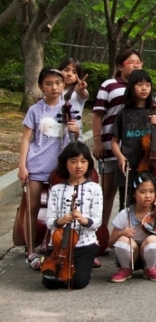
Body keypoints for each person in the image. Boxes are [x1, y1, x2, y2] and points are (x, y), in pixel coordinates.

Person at [18, 68, 80, 269]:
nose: (54, 87)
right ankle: (30, 250)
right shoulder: (35, 110)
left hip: (60, 167)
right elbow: (26, 140)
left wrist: (76, 131)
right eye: (49, 84)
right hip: (36, 165)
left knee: (57, 208)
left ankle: (50, 243)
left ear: (63, 85)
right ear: (41, 87)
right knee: (33, 208)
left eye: (58, 83)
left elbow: (74, 142)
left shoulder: (68, 108)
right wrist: (22, 165)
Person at [93, 49, 143, 229]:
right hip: (109, 147)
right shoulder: (109, 85)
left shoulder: (143, 87)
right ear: (120, 66)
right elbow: (98, 115)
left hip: (133, 150)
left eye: (139, 62)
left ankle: (126, 231)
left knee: (131, 192)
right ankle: (101, 232)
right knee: (107, 192)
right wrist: (97, 140)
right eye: (132, 62)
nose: (136, 65)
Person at [42, 142, 103, 289]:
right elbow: (49, 222)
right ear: (65, 164)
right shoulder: (56, 189)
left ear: (89, 164)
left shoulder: (94, 188)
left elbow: (97, 221)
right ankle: (60, 266)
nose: (78, 166)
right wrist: (60, 220)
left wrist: (83, 219)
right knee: (49, 282)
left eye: (83, 161)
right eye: (73, 161)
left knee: (78, 282)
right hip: (59, 245)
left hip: (84, 245)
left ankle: (82, 265)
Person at [108, 171, 156, 282]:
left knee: (153, 240)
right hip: (131, 254)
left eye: (151, 191)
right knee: (122, 240)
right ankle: (126, 268)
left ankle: (150, 268)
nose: (148, 196)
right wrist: (122, 233)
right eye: (143, 192)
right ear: (134, 193)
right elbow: (110, 244)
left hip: (149, 254)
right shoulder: (125, 213)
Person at [110, 70, 156, 190]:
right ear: (131, 87)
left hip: (151, 167)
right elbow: (114, 141)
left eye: (148, 85)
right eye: (140, 85)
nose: (144, 88)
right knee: (126, 204)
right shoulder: (123, 113)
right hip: (129, 165)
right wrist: (120, 157)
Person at [58, 57, 89, 136]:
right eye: (66, 70)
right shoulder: (54, 90)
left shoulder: (77, 93)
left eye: (74, 72)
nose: (69, 74)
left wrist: (80, 90)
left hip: (73, 136)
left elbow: (84, 94)